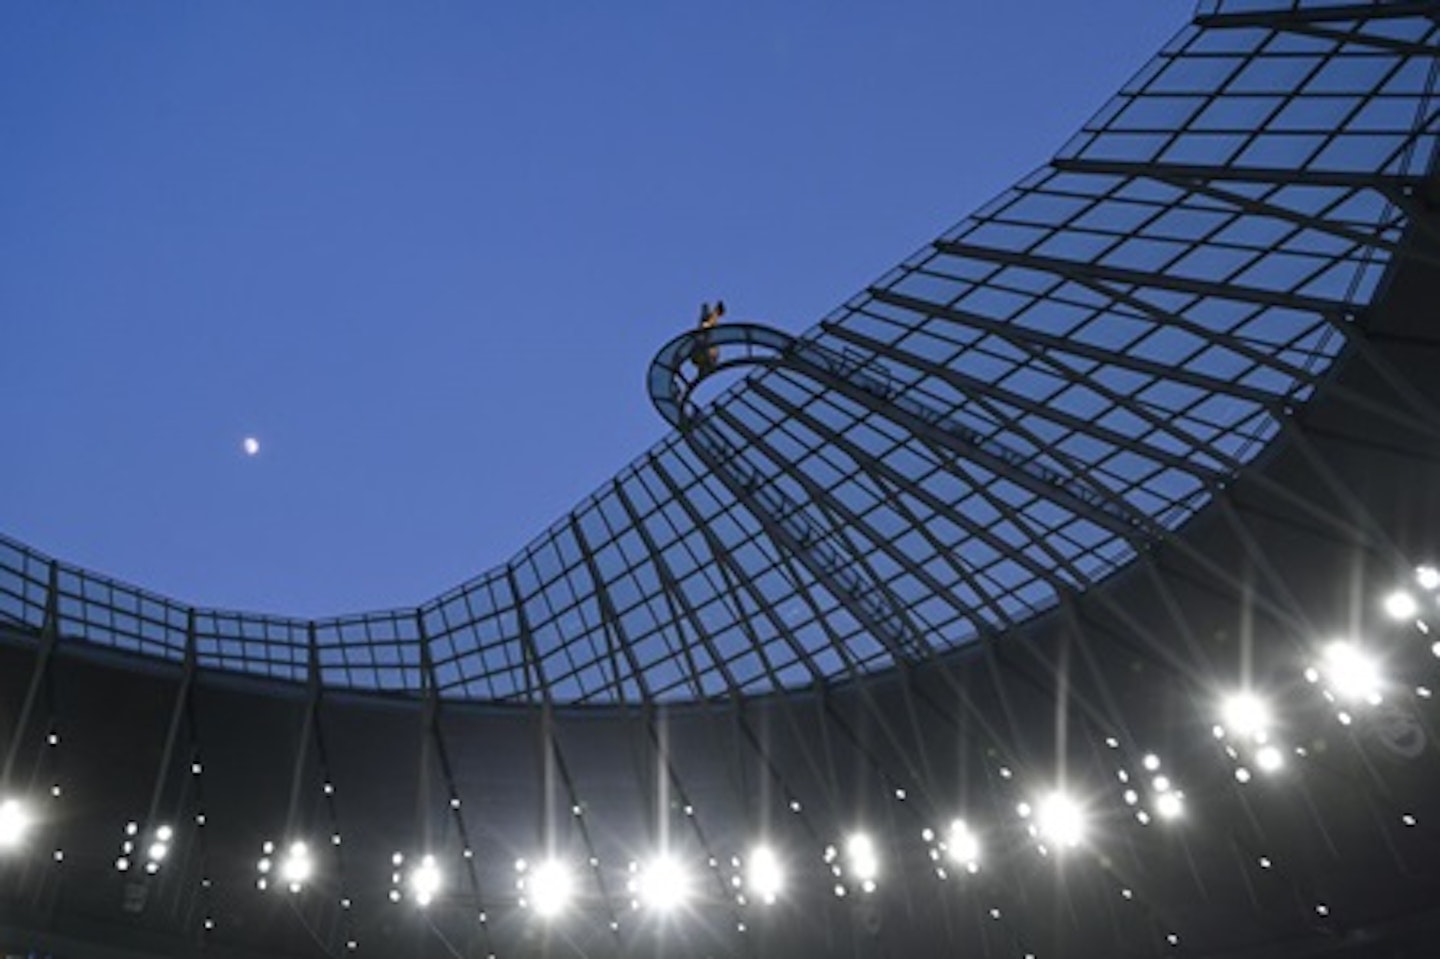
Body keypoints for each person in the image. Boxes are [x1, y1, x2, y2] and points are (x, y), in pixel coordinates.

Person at [692, 300, 725, 374]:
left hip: (705, 344)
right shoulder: (698, 359)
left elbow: (707, 324)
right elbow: (706, 324)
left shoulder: (697, 359)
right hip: (704, 345)